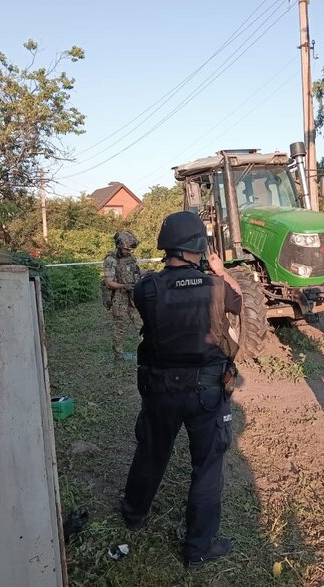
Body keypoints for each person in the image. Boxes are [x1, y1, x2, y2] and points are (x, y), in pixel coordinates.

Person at [120, 211, 243, 568]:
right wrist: (219, 272)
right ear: (198, 246)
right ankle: (197, 549)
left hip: (160, 389)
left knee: (151, 453)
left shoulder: (148, 287)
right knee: (206, 468)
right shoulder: (216, 286)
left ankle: (133, 514)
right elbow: (240, 300)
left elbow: (148, 312)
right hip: (207, 391)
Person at [103, 231, 143, 360]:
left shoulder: (131, 258)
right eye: (126, 249)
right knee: (120, 325)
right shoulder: (111, 260)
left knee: (141, 324)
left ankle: (147, 351)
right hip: (119, 297)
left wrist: (147, 273)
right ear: (119, 246)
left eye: (130, 249)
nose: (128, 251)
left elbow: (136, 271)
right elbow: (109, 283)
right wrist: (123, 286)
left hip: (133, 296)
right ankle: (118, 355)